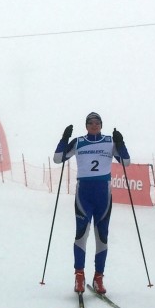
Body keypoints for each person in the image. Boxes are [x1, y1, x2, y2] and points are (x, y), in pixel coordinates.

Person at [53, 112, 130, 295]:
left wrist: (121, 143)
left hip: (103, 195)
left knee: (101, 237)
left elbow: (126, 162)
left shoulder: (110, 141)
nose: (94, 125)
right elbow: (58, 158)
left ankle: (98, 277)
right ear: (86, 125)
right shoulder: (79, 142)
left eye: (97, 123)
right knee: (81, 234)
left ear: (101, 125)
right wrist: (64, 139)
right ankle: (79, 275)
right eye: (91, 123)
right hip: (84, 194)